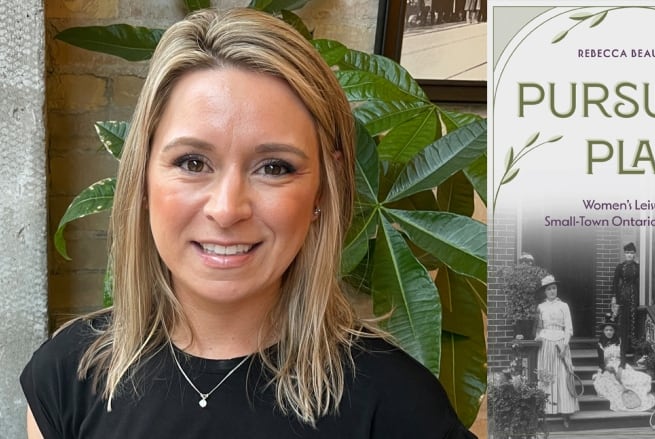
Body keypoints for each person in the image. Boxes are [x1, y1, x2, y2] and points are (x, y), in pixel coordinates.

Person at [20, 9, 475, 439]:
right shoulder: (67, 376)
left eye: (274, 167)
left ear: (323, 188)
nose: (226, 208)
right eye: (193, 161)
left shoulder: (397, 404)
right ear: (141, 177)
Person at [535, 274, 578, 427]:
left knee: (563, 376)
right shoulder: (541, 307)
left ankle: (565, 413)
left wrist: (564, 347)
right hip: (546, 343)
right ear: (545, 292)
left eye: (554, 288)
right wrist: (538, 338)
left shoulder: (563, 306)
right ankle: (546, 410)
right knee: (547, 375)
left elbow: (569, 329)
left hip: (561, 343)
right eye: (549, 289)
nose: (552, 291)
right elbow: (539, 329)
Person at [592, 320, 655, 412]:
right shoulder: (600, 344)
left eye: (611, 330)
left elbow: (623, 357)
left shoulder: (619, 342)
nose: (609, 332)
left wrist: (621, 367)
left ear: (614, 331)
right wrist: (607, 368)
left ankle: (641, 400)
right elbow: (601, 363)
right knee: (615, 385)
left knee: (642, 378)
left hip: (621, 366)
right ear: (603, 331)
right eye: (606, 330)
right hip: (608, 369)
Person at [611, 242, 639, 366]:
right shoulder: (620, 267)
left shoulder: (638, 267)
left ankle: (634, 353)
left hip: (634, 297)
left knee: (634, 324)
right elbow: (615, 283)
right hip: (623, 297)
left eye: (631, 253)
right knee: (623, 325)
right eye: (627, 253)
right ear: (624, 254)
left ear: (634, 254)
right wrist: (614, 298)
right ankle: (622, 354)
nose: (629, 255)